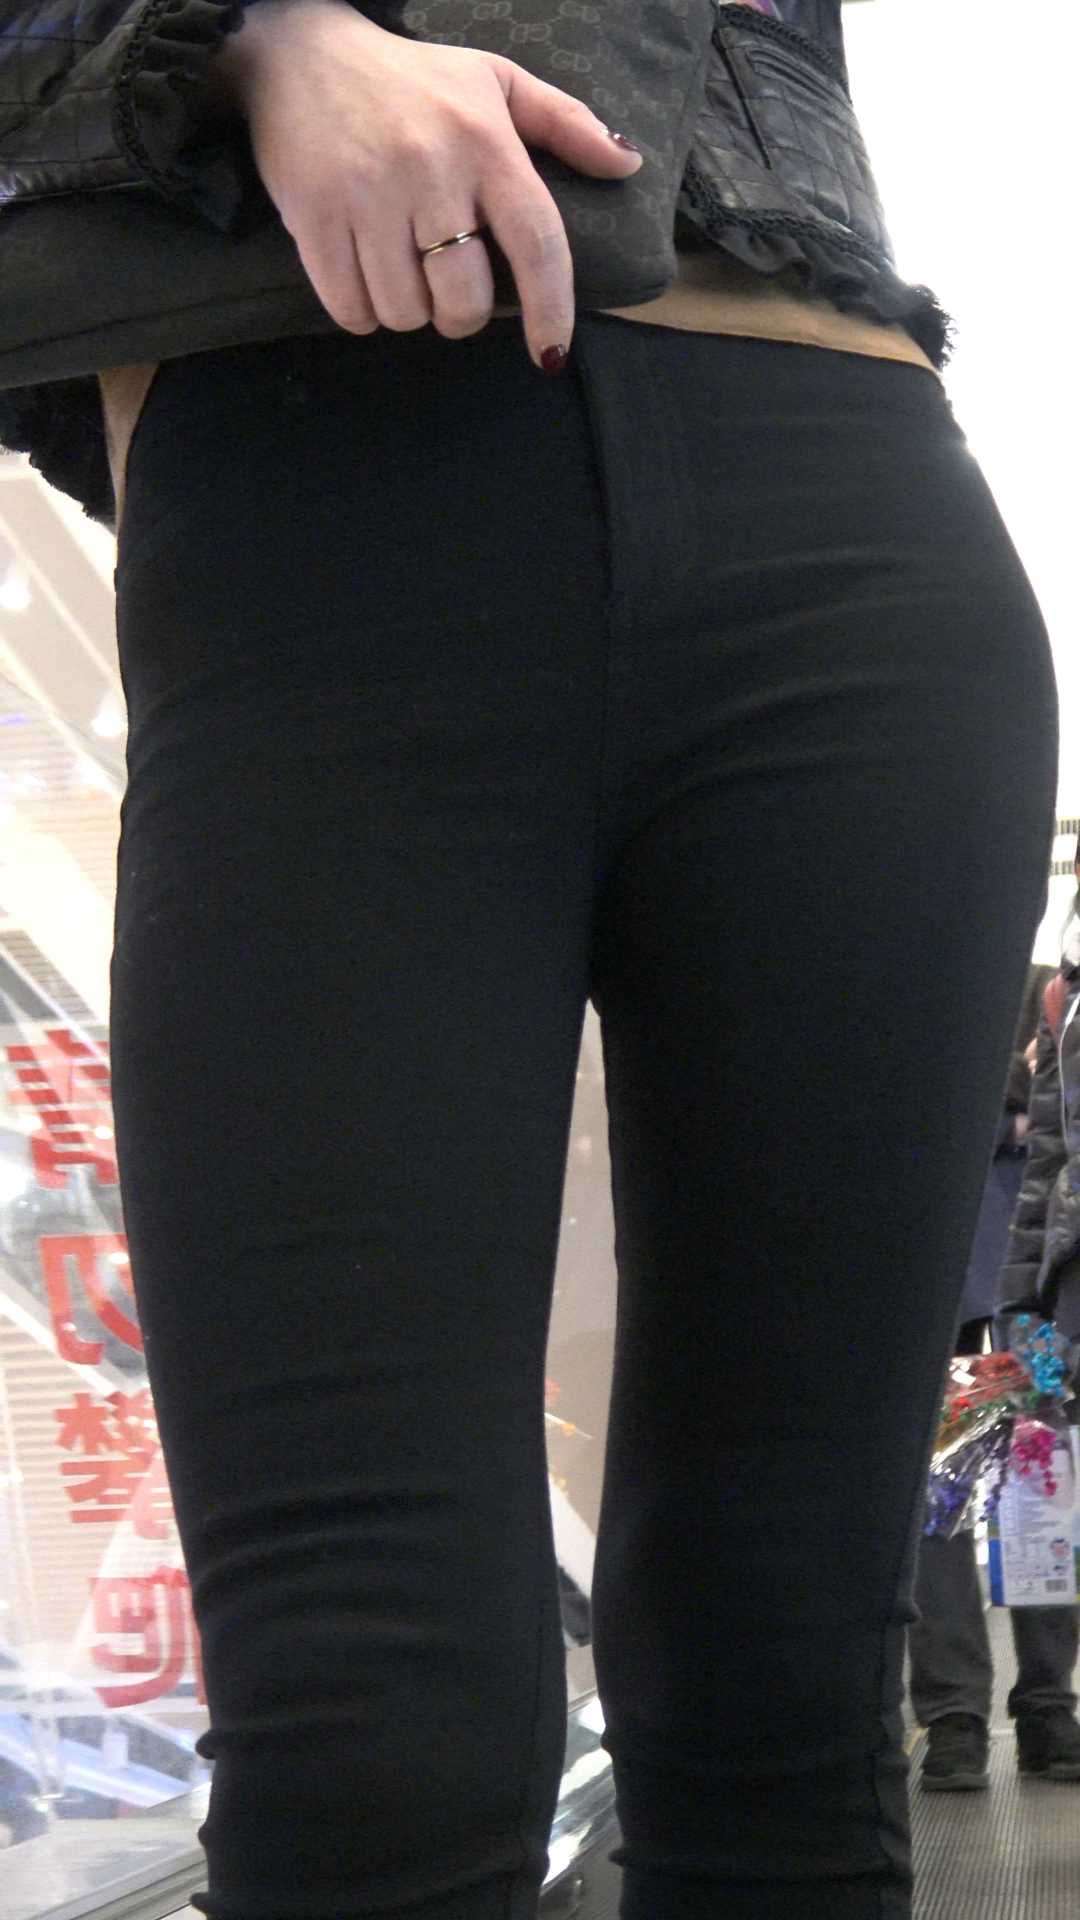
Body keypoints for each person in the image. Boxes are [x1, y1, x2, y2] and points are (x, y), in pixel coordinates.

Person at [0, 1, 1061, 1916]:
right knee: (367, 1717)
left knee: (788, 1677)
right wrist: (251, 34)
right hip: (314, 486)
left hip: (849, 485)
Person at [909, 933, 1080, 1791]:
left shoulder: (1043, 986)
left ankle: (1046, 1703)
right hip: (937, 1273)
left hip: (1032, 1283)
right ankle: (954, 1713)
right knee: (939, 1492)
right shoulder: (913, 988)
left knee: (1044, 1476)